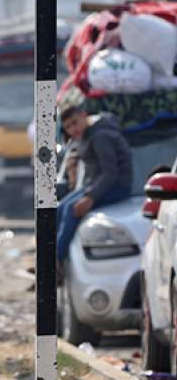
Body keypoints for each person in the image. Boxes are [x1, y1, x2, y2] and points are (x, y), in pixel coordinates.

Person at [57, 106, 134, 264]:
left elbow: (110, 173)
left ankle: (56, 261)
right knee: (60, 209)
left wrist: (90, 197)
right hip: (94, 185)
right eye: (68, 127)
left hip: (116, 188)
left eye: (75, 123)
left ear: (84, 116)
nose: (73, 129)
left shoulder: (100, 136)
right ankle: (49, 256)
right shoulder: (87, 135)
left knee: (72, 210)